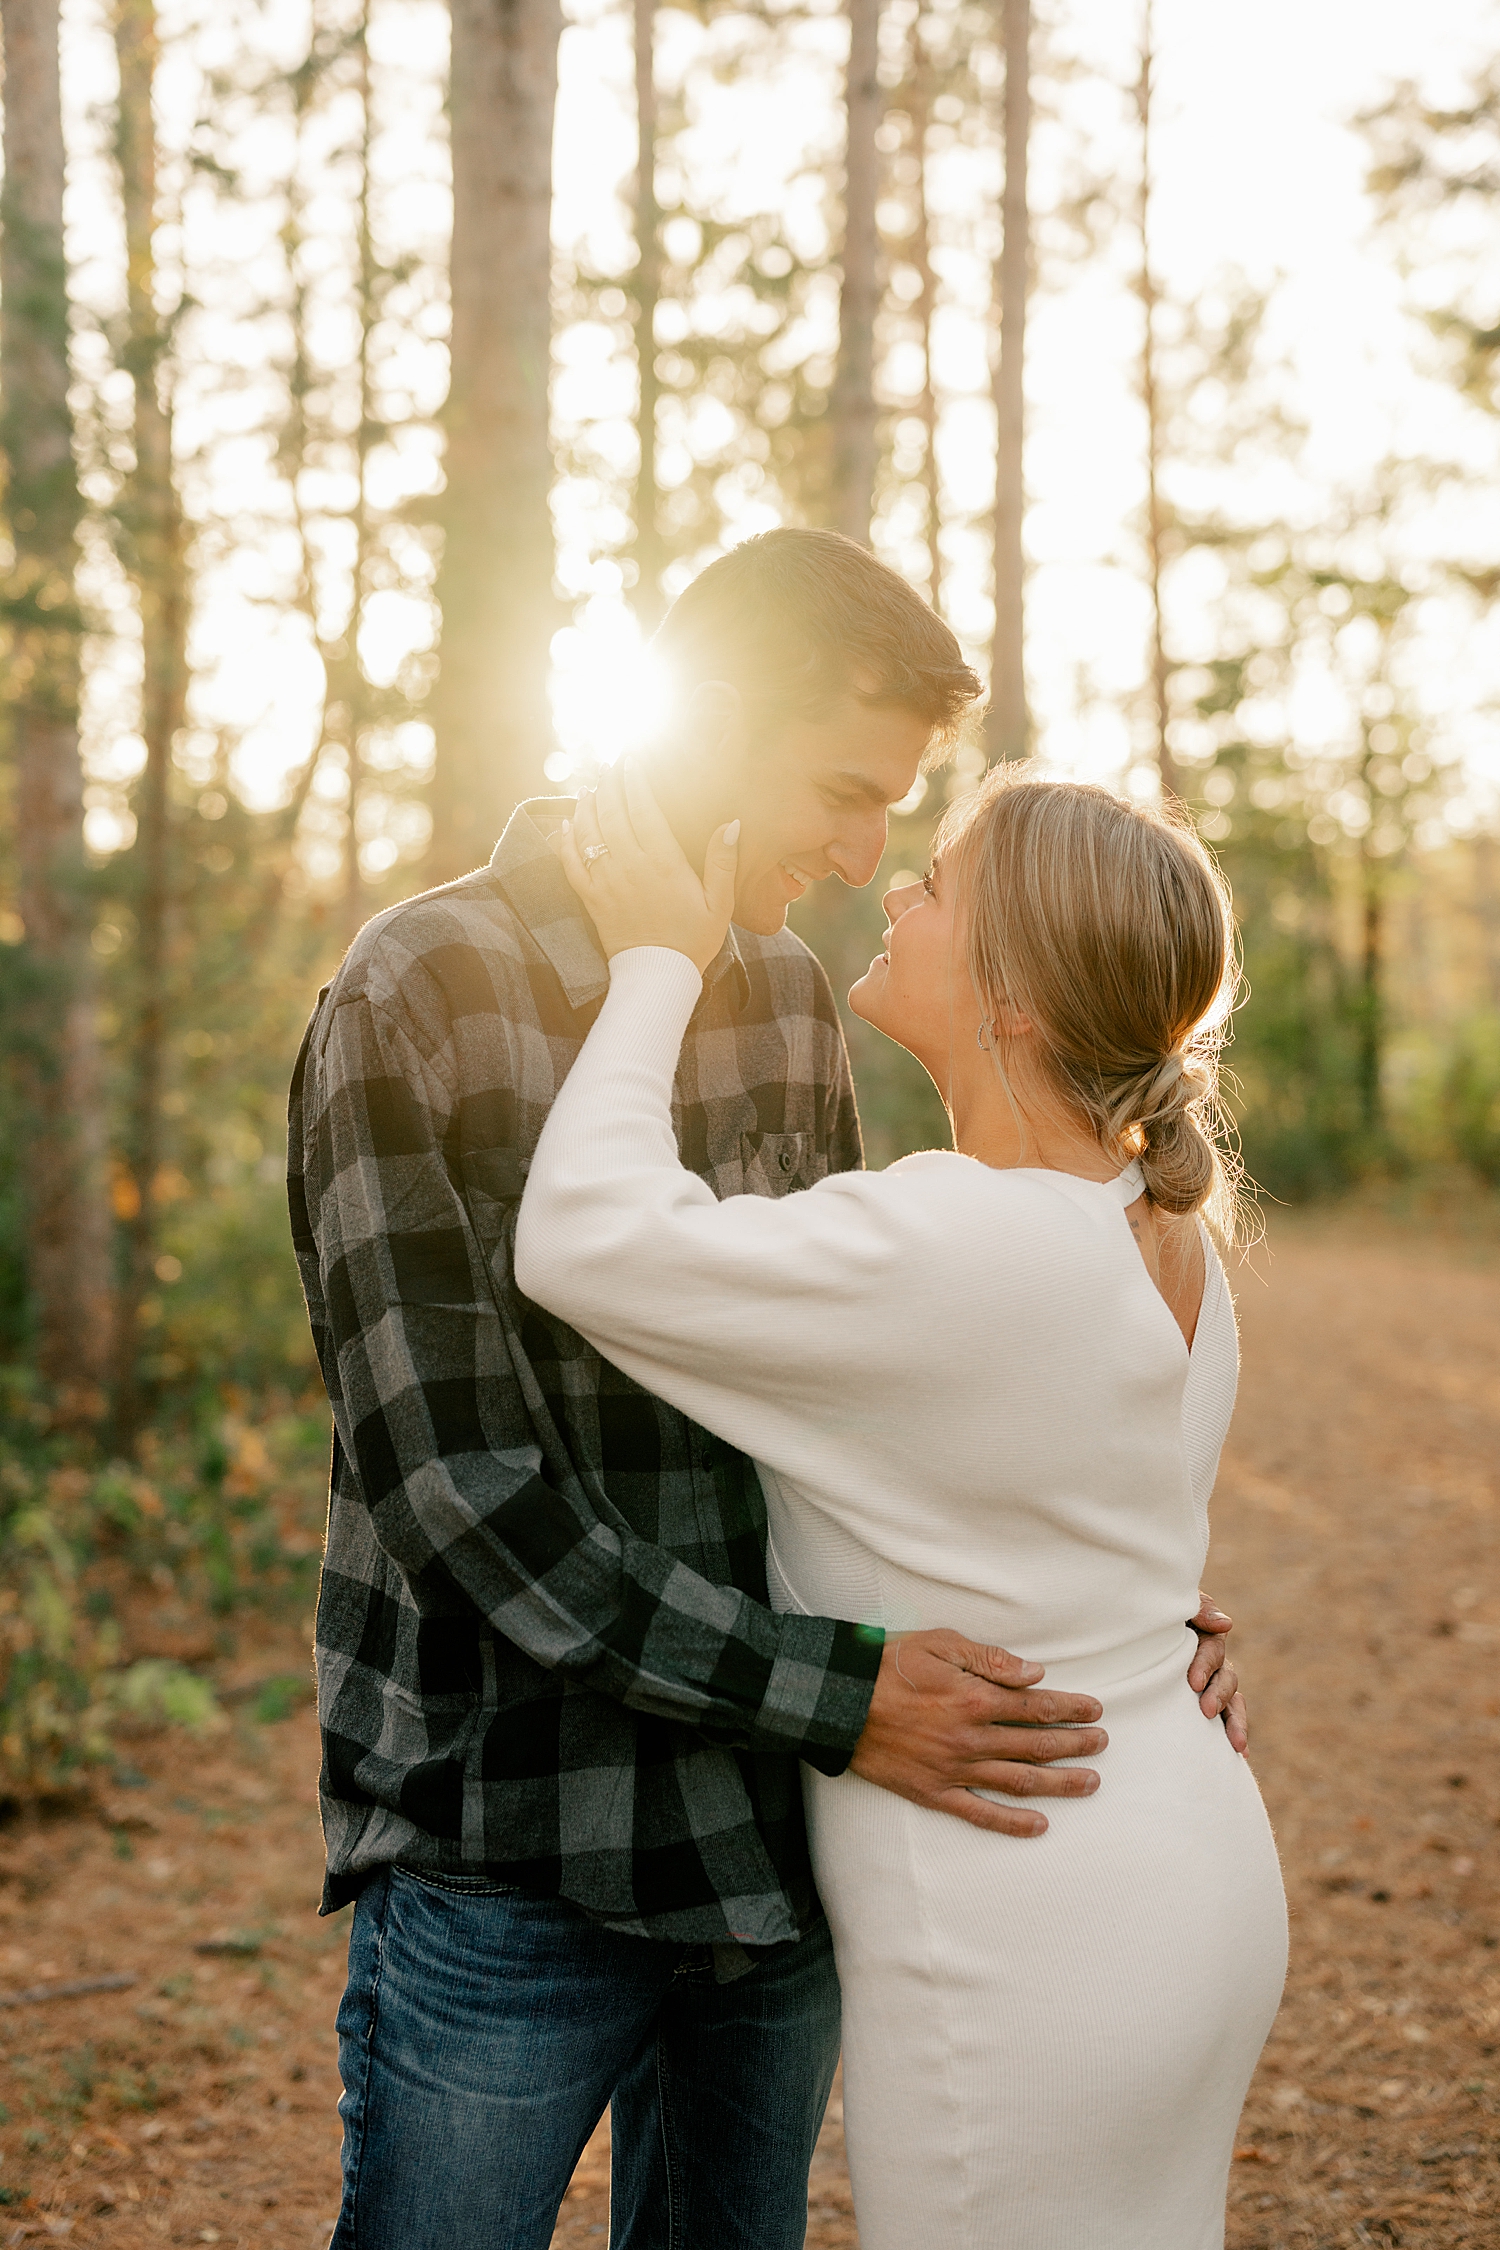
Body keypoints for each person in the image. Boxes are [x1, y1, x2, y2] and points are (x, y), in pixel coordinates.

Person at [287, 528, 1245, 2250]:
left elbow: (871, 1387)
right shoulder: (416, 991)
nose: (865, 853)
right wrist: (833, 1695)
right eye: (842, 789)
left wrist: (1108, 1597)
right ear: (708, 717)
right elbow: (461, 1492)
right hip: (519, 1837)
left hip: (769, 1849)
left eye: (903, 817)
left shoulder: (794, 995)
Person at [515, 754, 1288, 2250]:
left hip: (1025, 1924)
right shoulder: (1166, 1236)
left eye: (939, 884)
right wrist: (1167, 1630)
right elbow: (1092, 1529)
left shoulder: (952, 1236)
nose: (896, 892)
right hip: (1184, 1871)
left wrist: (659, 958)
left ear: (1017, 999)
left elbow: (584, 1236)